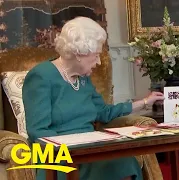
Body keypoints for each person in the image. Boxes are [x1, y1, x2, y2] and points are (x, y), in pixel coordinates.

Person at [22, 16, 164, 180]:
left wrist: (146, 101)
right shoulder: (41, 76)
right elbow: (38, 131)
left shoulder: (83, 78)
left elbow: (104, 112)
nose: (98, 62)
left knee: (125, 162)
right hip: (58, 156)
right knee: (115, 165)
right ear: (79, 53)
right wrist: (71, 150)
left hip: (88, 150)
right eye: (96, 55)